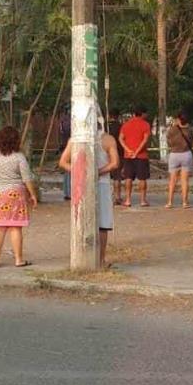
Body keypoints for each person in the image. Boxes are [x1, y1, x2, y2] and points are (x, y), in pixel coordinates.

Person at [59, 123, 120, 268]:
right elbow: (115, 163)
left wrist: (81, 172)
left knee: (81, 221)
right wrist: (97, 172)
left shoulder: (74, 140)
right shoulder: (108, 139)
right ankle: (100, 260)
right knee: (102, 224)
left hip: (81, 185)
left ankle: (82, 259)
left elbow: (63, 162)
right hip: (102, 184)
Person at [0, 126, 39, 268]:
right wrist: (32, 194)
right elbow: (27, 178)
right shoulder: (18, 156)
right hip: (15, 195)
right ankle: (19, 260)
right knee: (16, 227)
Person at [119, 105, 151, 207]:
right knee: (142, 178)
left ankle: (128, 200)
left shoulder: (126, 124)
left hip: (128, 156)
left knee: (128, 177)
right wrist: (137, 152)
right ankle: (142, 200)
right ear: (142, 113)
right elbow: (145, 140)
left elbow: (120, 138)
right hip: (141, 156)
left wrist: (128, 150)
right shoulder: (145, 124)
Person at [165, 111, 193, 209]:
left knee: (172, 180)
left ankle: (169, 202)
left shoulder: (172, 129)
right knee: (184, 180)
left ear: (178, 119)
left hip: (174, 154)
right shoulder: (189, 129)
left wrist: (174, 124)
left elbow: (168, 141)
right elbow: (192, 141)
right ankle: (185, 202)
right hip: (186, 154)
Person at [106, 107, 124, 205]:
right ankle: (117, 197)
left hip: (105, 154)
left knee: (106, 176)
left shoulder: (105, 127)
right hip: (118, 153)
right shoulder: (121, 126)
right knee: (117, 176)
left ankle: (107, 196)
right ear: (117, 116)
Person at [58, 105, 72, 200]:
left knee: (67, 171)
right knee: (71, 170)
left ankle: (66, 193)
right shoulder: (71, 121)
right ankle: (70, 192)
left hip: (64, 146)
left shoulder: (62, 121)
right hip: (71, 146)